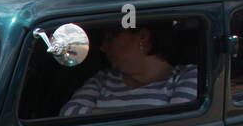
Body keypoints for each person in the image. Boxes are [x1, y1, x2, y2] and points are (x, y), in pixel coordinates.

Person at [60, 25, 197, 117]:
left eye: (110, 38)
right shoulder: (103, 78)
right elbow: (68, 112)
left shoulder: (186, 76)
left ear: (142, 37)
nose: (103, 47)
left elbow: (175, 125)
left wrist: (100, 116)